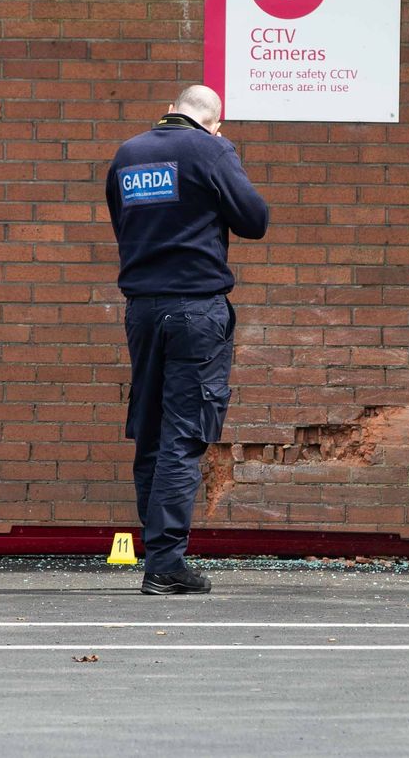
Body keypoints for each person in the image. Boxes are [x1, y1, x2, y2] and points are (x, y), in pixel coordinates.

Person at [105, 85, 269, 595]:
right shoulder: (210, 149)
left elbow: (123, 225)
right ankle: (166, 564)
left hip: (143, 309)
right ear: (213, 121)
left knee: (151, 431)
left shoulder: (128, 154)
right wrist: (221, 156)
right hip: (195, 310)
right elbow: (254, 221)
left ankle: (157, 556)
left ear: (172, 109)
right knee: (184, 434)